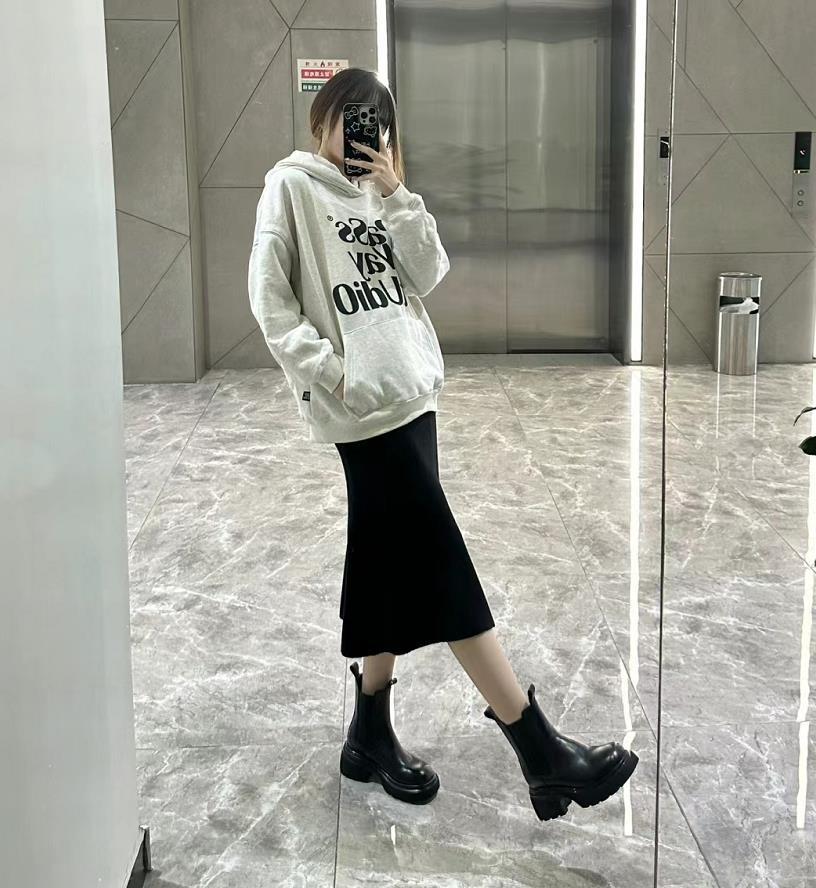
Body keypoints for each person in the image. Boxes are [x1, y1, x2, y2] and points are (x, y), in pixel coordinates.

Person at [247, 66, 637, 821]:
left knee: (386, 559)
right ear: (323, 117)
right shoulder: (288, 188)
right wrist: (335, 374)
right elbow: (269, 301)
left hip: (413, 396)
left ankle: (368, 735)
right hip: (364, 410)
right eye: (353, 114)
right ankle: (538, 748)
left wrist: (396, 192)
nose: (363, 130)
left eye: (377, 120)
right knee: (438, 559)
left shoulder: (380, 192)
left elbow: (428, 274)